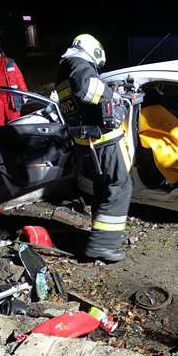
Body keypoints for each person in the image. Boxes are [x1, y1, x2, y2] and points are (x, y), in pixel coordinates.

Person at [56, 34, 133, 263]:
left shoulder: (64, 68)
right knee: (119, 186)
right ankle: (102, 246)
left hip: (87, 143)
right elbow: (88, 88)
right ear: (93, 50)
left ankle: (101, 237)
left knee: (104, 189)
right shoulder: (78, 63)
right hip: (102, 140)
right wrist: (113, 97)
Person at [0, 43, 28, 127]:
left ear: (0, 53)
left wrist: (25, 93)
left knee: (15, 124)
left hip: (11, 99)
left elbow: (19, 78)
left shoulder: (9, 63)